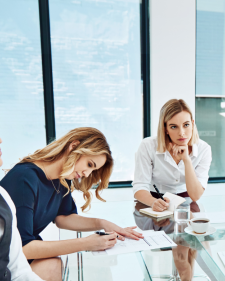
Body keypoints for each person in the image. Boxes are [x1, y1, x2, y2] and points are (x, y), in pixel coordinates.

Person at [0, 128, 143, 281]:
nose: (87, 174)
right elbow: (24, 248)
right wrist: (86, 243)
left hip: (24, 256)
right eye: (89, 164)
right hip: (9, 262)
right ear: (73, 146)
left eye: (93, 169)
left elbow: (63, 217)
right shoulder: (25, 178)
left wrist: (103, 223)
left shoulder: (62, 178)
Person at [133, 99, 211, 212]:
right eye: (174, 126)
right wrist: (152, 202)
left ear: (193, 124)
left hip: (187, 201)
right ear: (165, 129)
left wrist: (186, 160)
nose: (181, 133)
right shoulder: (148, 146)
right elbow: (139, 186)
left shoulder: (204, 149)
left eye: (186, 125)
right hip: (153, 198)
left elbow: (195, 195)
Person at [0, 136, 44, 281]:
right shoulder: (25, 176)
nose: (1, 140)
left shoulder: (3, 196)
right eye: (89, 165)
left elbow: (18, 271)